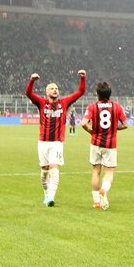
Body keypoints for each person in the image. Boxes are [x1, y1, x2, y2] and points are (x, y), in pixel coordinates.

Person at [26, 69, 86, 207]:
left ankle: (51, 197)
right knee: (44, 171)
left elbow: (80, 92)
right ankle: (46, 194)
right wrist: (32, 81)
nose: (55, 90)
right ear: (47, 92)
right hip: (43, 142)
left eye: (56, 88)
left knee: (54, 168)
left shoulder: (64, 103)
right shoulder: (41, 103)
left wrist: (83, 78)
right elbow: (28, 93)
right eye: (52, 88)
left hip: (57, 143)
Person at [81, 81, 127, 210]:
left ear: (97, 94)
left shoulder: (92, 107)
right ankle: (104, 190)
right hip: (110, 145)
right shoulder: (117, 107)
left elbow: (83, 123)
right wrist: (114, 129)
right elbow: (125, 125)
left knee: (96, 170)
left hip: (95, 143)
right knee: (109, 172)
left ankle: (96, 202)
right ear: (110, 93)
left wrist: (91, 131)